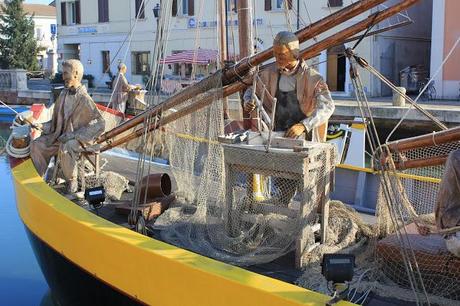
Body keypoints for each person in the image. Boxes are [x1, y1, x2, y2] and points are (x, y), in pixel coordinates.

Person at [243, 31, 334, 142]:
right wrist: (248, 101)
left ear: (294, 53)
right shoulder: (268, 74)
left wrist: (304, 125)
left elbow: (327, 106)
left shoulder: (313, 78)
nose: (276, 58)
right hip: (275, 137)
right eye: (275, 54)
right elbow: (251, 91)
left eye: (281, 55)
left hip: (305, 139)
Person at [30, 59, 105, 193]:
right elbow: (54, 123)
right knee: (37, 144)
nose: (63, 77)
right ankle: (37, 179)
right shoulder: (63, 94)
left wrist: (73, 135)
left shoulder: (85, 99)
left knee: (67, 146)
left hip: (78, 141)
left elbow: (100, 123)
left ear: (76, 74)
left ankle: (72, 181)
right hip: (59, 136)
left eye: (65, 73)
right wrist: (41, 126)